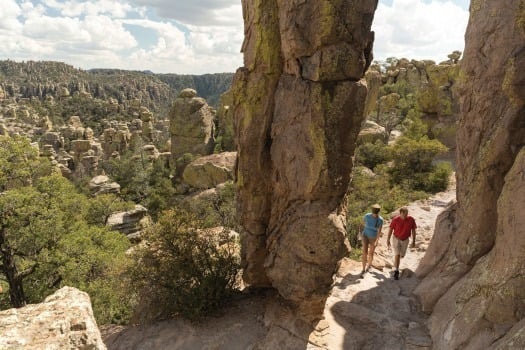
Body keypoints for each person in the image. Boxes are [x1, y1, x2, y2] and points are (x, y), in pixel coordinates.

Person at [387, 207, 417, 280]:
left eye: (406, 214)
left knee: (402, 255)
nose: (405, 216)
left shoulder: (411, 219)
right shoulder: (395, 220)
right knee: (397, 254)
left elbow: (413, 230)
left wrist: (414, 241)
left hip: (405, 239)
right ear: (400, 213)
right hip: (396, 238)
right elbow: (391, 229)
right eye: (403, 214)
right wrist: (388, 239)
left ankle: (397, 261)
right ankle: (396, 271)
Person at [360, 203, 384, 277]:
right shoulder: (367, 216)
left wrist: (377, 241)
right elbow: (362, 224)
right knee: (365, 252)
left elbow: (379, 231)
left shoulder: (380, 220)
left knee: (371, 253)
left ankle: (369, 266)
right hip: (365, 235)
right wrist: (360, 234)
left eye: (375, 212)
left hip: (373, 237)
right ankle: (363, 270)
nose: (374, 214)